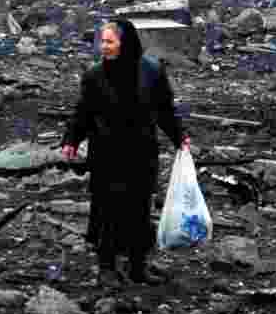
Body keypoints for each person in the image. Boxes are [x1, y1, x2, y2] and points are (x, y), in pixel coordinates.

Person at [61, 19, 191, 287]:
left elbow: (164, 110)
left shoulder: (152, 72)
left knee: (139, 209)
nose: (103, 47)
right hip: (106, 154)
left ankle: (137, 266)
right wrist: (71, 140)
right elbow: (83, 112)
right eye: (102, 41)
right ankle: (106, 268)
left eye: (109, 41)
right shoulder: (94, 75)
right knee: (106, 210)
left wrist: (179, 137)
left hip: (141, 152)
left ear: (126, 43)